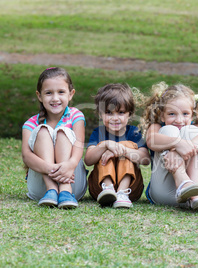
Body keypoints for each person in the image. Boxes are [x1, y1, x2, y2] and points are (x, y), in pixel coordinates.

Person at [141, 82, 198, 210]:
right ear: (162, 115)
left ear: (192, 114)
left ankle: (193, 192)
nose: (179, 120)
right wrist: (177, 144)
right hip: (164, 193)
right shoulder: (156, 127)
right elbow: (151, 140)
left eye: (185, 114)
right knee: (169, 131)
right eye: (172, 114)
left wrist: (179, 150)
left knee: (191, 131)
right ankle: (182, 181)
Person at [21, 67, 86, 209]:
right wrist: (54, 170)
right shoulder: (30, 124)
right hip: (41, 188)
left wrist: (69, 166)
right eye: (49, 93)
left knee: (62, 132)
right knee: (43, 131)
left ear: (71, 94)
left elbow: (79, 145)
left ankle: (65, 191)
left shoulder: (76, 116)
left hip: (72, 182)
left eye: (61, 92)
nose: (55, 98)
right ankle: (51, 190)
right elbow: (26, 156)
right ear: (39, 96)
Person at [85, 83, 150, 208]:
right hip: (99, 189)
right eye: (109, 113)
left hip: (131, 190)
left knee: (125, 145)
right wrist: (105, 145)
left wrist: (123, 150)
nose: (115, 118)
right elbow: (88, 160)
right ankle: (107, 188)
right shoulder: (99, 133)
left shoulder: (134, 132)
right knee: (102, 146)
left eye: (120, 112)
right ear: (100, 114)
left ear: (129, 114)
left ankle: (122, 192)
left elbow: (145, 159)